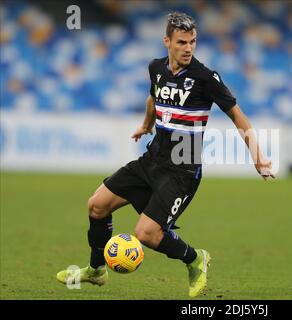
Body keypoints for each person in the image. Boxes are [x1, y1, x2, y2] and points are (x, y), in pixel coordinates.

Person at [56, 12, 275, 298]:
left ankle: (196, 258)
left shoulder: (205, 78)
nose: (188, 48)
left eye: (193, 42)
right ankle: (96, 270)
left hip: (182, 169)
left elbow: (237, 115)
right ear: (167, 42)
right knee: (96, 205)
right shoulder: (156, 68)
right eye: (182, 42)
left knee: (146, 234)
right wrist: (146, 125)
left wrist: (258, 157)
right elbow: (153, 96)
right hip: (152, 159)